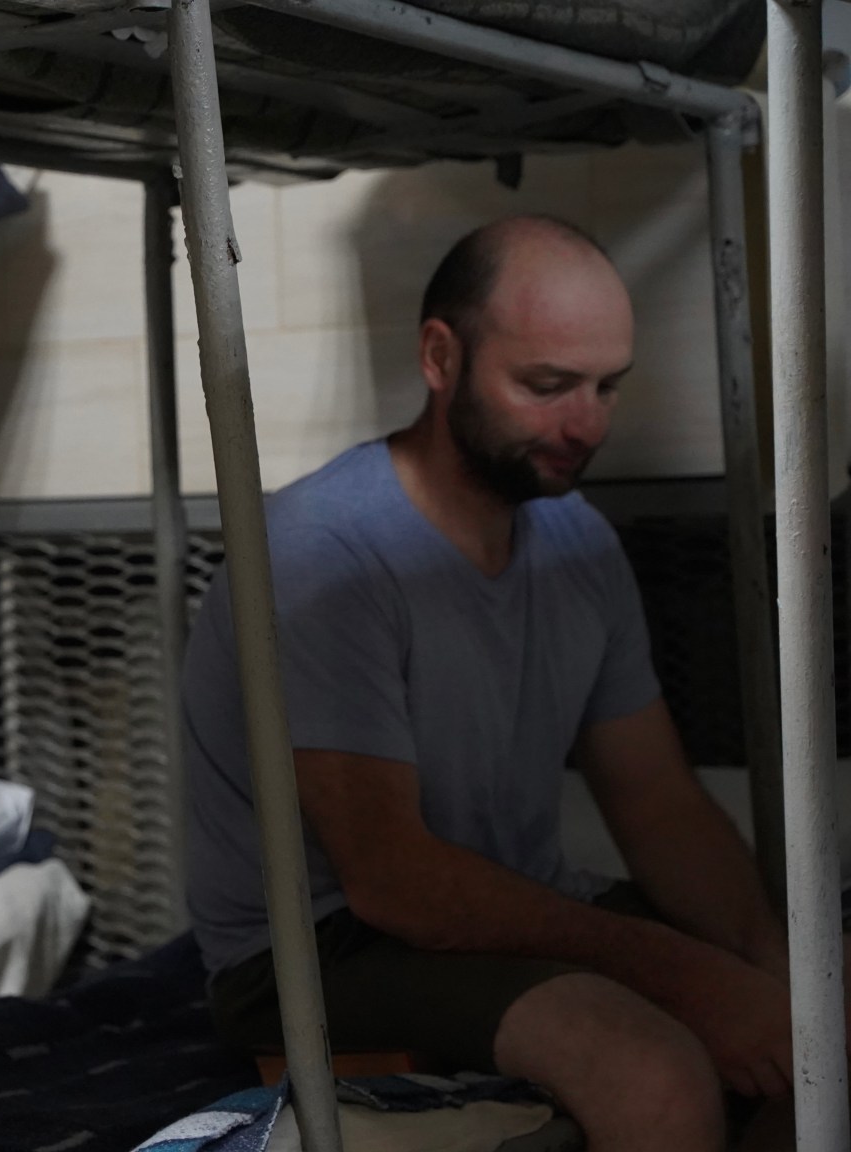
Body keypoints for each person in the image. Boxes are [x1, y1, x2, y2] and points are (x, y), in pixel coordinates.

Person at [184, 215, 804, 1152]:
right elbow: (397, 883)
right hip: (320, 947)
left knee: (825, 1011)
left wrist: (772, 967)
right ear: (442, 357)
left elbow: (659, 802)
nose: (586, 423)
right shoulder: (322, 555)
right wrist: (689, 975)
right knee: (654, 1074)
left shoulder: (579, 542)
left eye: (606, 389)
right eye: (547, 386)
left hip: (509, 900)